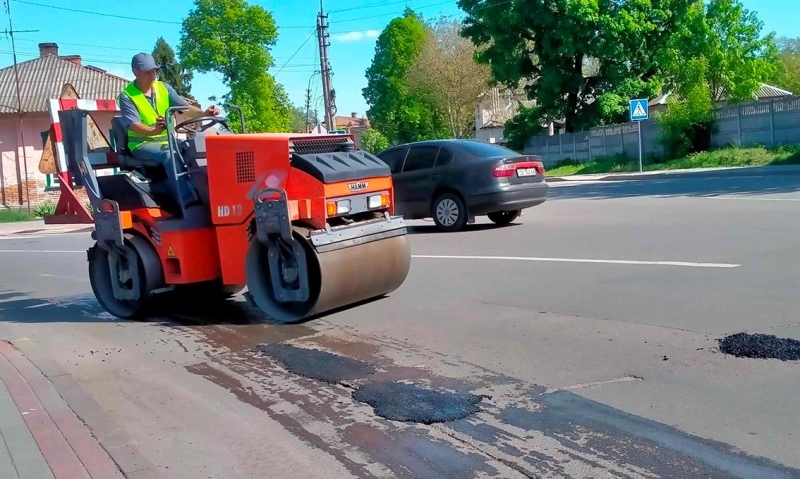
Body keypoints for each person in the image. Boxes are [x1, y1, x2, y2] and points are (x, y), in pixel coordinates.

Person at [118, 52, 220, 172]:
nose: (153, 76)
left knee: (194, 149)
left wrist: (205, 114)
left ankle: (204, 188)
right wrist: (154, 131)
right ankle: (183, 191)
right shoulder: (127, 96)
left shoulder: (164, 88)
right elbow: (134, 125)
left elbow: (186, 108)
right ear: (135, 72)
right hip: (142, 145)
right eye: (147, 72)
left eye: (154, 71)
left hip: (169, 142)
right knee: (170, 155)